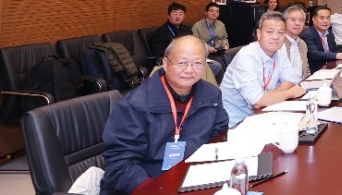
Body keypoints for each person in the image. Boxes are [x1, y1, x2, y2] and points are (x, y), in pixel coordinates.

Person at [100, 36, 228, 195]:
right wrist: (156, 189)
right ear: (166, 63)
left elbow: (219, 137)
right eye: (182, 63)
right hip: (147, 187)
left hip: (191, 180)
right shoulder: (134, 105)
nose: (189, 70)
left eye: (197, 63)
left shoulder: (212, 95)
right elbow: (120, 164)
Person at [220, 11, 307, 126]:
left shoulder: (279, 50)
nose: (275, 37)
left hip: (264, 111)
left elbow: (291, 79)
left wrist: (268, 97)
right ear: (259, 33)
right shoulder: (246, 56)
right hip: (237, 121)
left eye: (280, 33)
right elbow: (257, 101)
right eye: (270, 32)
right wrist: (290, 93)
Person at [304, 5, 342, 73]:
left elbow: (335, 50)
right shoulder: (308, 34)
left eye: (328, 18)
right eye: (322, 18)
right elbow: (314, 54)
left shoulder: (329, 33)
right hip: (317, 72)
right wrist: (338, 55)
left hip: (331, 68)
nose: (325, 21)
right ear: (314, 20)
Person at [281, 5, 310, 80]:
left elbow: (306, 70)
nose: (297, 23)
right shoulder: (278, 43)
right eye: (293, 20)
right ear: (284, 21)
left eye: (301, 20)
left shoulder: (302, 44)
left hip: (302, 84)